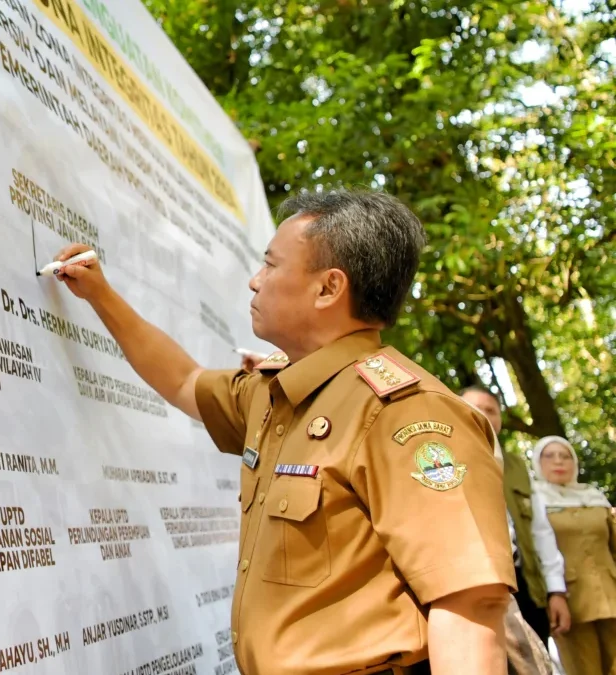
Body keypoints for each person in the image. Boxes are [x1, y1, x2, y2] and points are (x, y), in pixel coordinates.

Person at [53, 188, 515, 674]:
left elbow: (470, 606)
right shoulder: (277, 394)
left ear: (328, 288)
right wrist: (100, 295)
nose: (256, 282)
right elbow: (185, 381)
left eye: (271, 265)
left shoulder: (407, 414)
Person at [461, 387, 572, 645]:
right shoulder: (443, 459)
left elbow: (541, 531)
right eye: (475, 407)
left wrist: (556, 591)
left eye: (491, 410)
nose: (484, 415)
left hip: (526, 585)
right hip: (478, 586)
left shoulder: (516, 466)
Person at [531, 436, 616, 675]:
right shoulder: (533, 501)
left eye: (565, 455)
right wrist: (552, 595)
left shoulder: (594, 497)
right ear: (538, 462)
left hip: (611, 594)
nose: (559, 461)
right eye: (550, 455)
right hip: (569, 602)